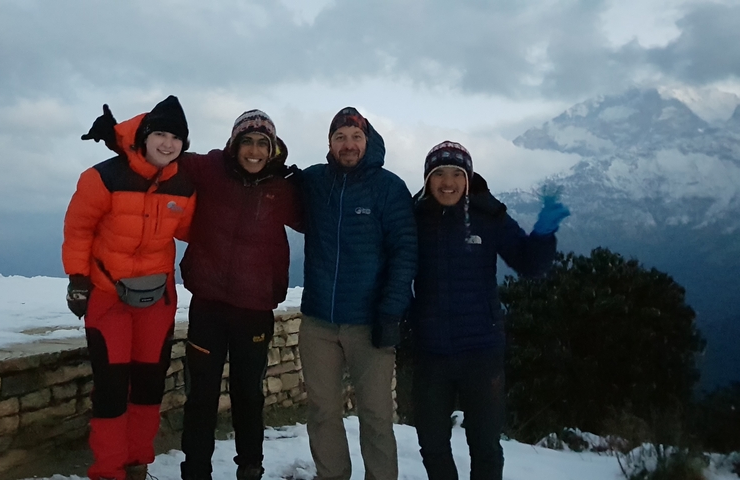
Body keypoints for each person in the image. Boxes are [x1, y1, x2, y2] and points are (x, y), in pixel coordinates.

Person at [404, 141, 569, 480]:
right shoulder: (413, 219)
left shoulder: (489, 217)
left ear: (468, 178)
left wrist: (543, 233)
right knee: (432, 445)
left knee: (486, 446)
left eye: (456, 174)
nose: (447, 182)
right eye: (438, 174)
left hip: (481, 351)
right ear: (426, 179)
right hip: (430, 353)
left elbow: (529, 265)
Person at [62, 96, 196, 480]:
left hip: (157, 299)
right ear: (145, 135)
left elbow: (192, 230)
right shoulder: (102, 177)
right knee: (111, 387)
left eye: (176, 137)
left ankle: (137, 464)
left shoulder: (185, 184)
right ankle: (108, 471)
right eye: (160, 134)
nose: (167, 144)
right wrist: (77, 280)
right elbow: (78, 230)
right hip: (107, 297)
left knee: (149, 386)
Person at [177, 110, 303, 480]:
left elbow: (326, 216)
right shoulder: (209, 169)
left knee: (249, 395)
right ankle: (195, 471)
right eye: (246, 141)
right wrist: (119, 137)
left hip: (255, 309)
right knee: (201, 396)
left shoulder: (282, 188)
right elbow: (162, 152)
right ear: (234, 144)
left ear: (272, 148)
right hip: (209, 306)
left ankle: (250, 467)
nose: (253, 150)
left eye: (262, 143)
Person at [298, 107, 417, 480]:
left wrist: (392, 311)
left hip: (370, 322)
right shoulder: (315, 182)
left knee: (377, 414)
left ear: (368, 141)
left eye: (355, 137)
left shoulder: (389, 187)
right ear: (330, 144)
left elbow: (405, 252)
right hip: (318, 320)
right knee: (322, 411)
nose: (348, 144)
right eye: (340, 138)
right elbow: (267, 177)